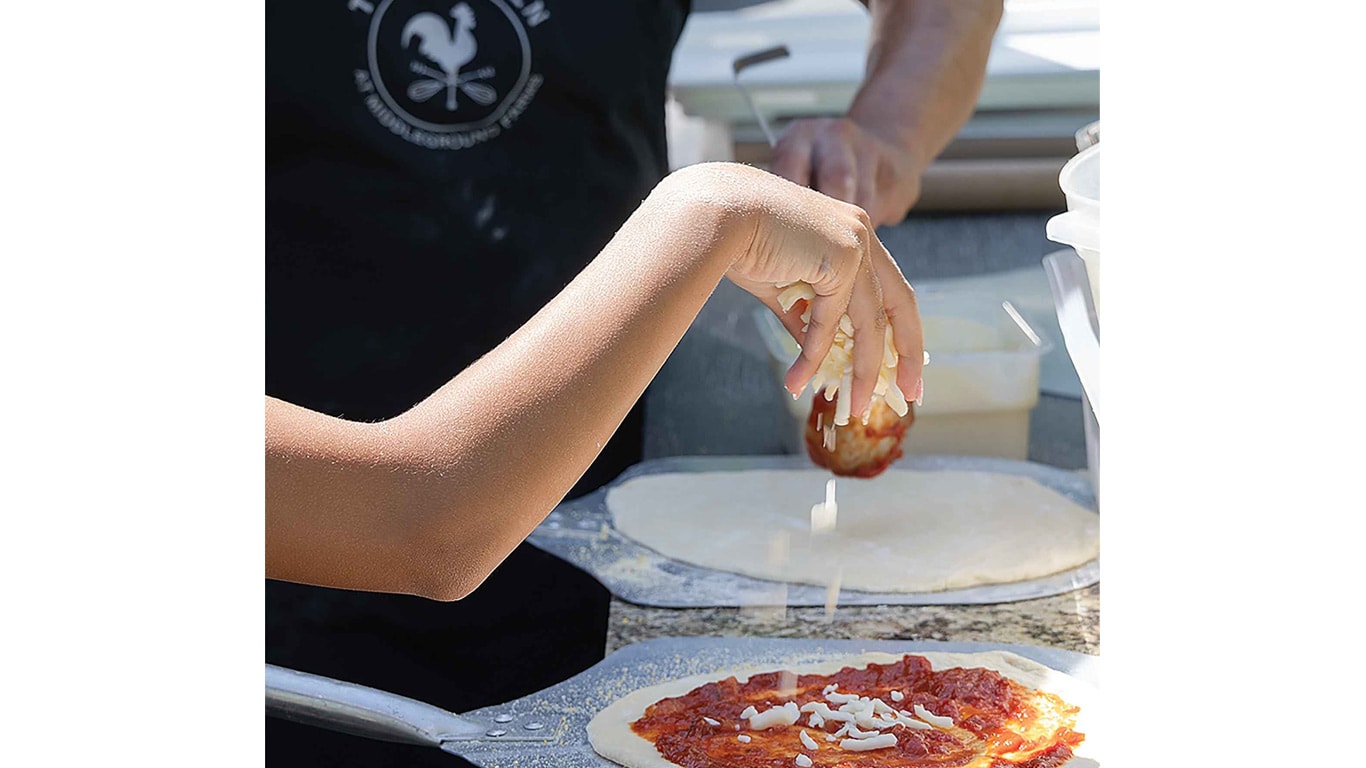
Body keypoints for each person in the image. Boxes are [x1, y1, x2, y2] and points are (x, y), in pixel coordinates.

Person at [266, 1, 999, 764]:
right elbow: (420, 522)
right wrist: (708, 217)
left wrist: (885, 135)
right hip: (297, 579)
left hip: (592, 533)